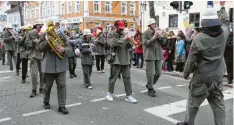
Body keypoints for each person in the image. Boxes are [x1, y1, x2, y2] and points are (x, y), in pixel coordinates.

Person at [177, 3, 230, 125]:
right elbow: (226, 22)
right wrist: (222, 7)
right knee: (219, 106)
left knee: (192, 104)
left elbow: (190, 60)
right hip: (217, 77)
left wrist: (185, 74)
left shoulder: (198, 39)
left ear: (204, 23)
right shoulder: (224, 33)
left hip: (202, 78)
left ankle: (188, 123)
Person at [37, 20, 72, 114]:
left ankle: (62, 106)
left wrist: (64, 49)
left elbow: (70, 49)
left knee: (62, 86)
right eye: (53, 25)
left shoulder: (62, 35)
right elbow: (39, 48)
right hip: (49, 66)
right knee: (47, 86)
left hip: (61, 65)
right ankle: (46, 101)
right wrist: (48, 42)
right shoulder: (43, 35)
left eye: (57, 25)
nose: (55, 28)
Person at [106, 20, 137, 103]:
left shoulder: (125, 34)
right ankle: (109, 93)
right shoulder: (110, 34)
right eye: (120, 28)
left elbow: (128, 46)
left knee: (127, 78)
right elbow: (112, 44)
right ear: (116, 27)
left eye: (122, 28)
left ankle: (129, 95)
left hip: (125, 58)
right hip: (116, 58)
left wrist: (131, 41)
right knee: (113, 77)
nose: (121, 30)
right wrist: (124, 39)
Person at [142, 18, 163, 97]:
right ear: (150, 25)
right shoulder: (145, 33)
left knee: (159, 73)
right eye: (153, 24)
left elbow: (164, 43)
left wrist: (161, 36)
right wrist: (153, 37)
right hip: (149, 55)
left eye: (155, 24)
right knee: (151, 73)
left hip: (158, 55)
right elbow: (145, 43)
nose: (154, 26)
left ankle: (149, 84)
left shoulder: (158, 31)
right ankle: (150, 88)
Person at [25, 21, 44, 98]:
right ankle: (34, 90)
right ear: (36, 26)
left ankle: (42, 88)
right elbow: (26, 43)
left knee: (43, 73)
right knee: (34, 74)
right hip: (33, 55)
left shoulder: (44, 32)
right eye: (40, 25)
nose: (41, 26)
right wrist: (33, 42)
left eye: (42, 25)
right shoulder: (30, 33)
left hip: (42, 55)